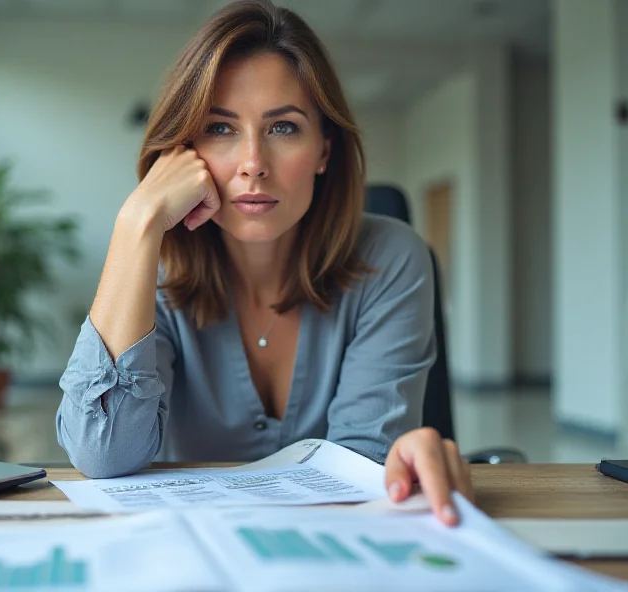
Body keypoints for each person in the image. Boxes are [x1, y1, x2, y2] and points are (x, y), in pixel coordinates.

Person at [56, 0, 473, 526]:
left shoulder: (391, 258)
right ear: (182, 153)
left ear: (324, 148)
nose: (253, 164)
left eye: (283, 128)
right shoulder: (153, 269)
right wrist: (137, 220)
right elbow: (102, 453)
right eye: (221, 128)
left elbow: (361, 471)